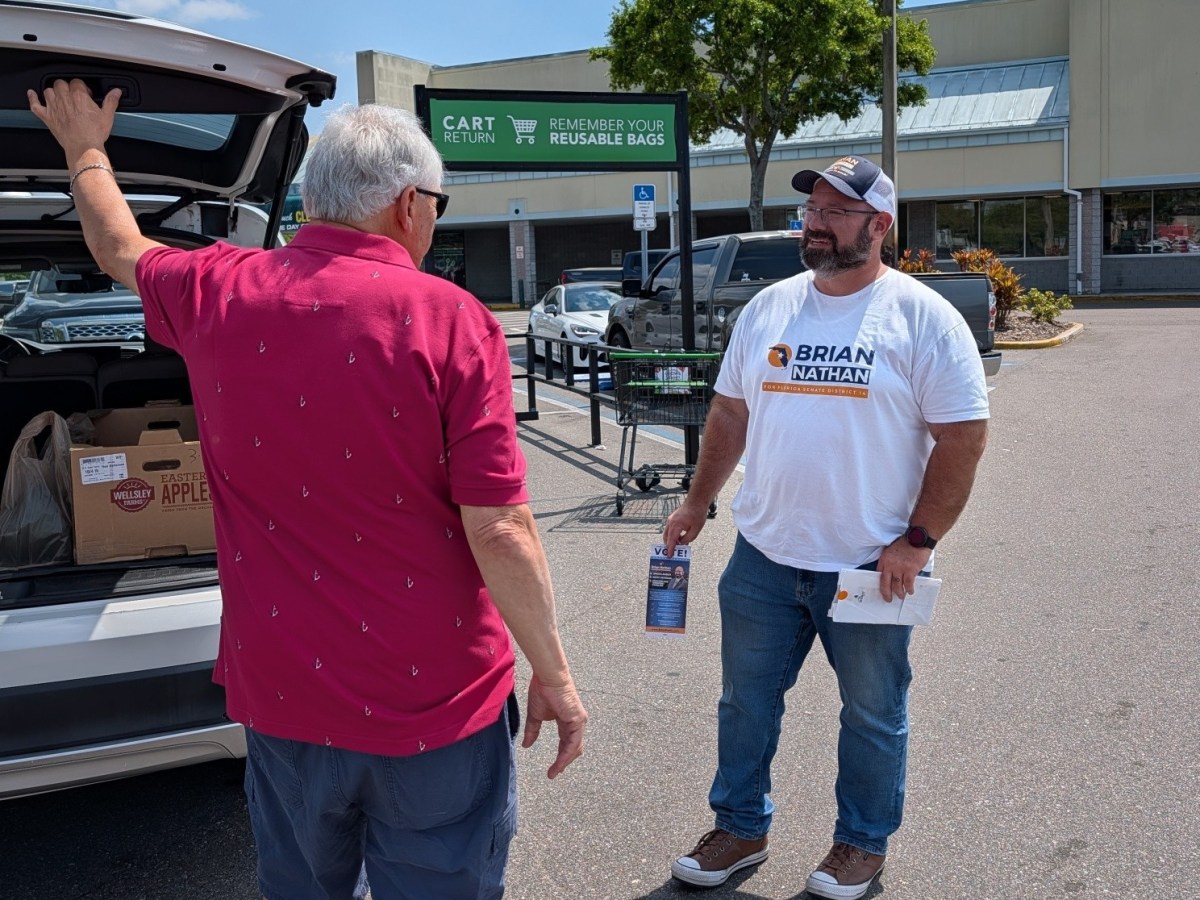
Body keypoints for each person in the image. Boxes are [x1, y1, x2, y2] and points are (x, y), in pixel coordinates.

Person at [29, 81, 588, 900]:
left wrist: (84, 147)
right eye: (437, 205)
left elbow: (118, 246)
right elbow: (500, 528)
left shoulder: (218, 288)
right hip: (433, 705)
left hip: (284, 698)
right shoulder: (454, 320)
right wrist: (556, 676)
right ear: (408, 204)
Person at [663, 154, 989, 899]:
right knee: (744, 704)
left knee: (873, 714)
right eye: (811, 209)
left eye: (836, 212)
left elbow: (964, 436)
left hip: (871, 564)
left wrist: (917, 542)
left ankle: (861, 844)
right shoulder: (769, 307)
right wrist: (696, 502)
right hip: (764, 556)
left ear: (879, 226)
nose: (815, 223)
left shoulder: (922, 318)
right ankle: (739, 828)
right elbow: (731, 413)